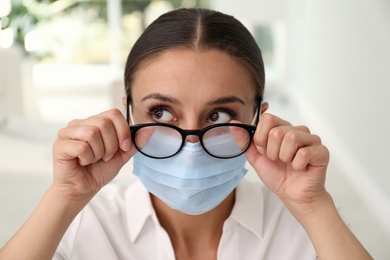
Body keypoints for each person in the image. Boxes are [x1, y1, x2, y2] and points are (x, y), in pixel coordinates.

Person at [0, 8, 372, 260]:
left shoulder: (302, 227)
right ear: (128, 111)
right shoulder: (84, 223)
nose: (191, 144)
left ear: (258, 118)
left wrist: (313, 206)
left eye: (220, 114)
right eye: (160, 112)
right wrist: (63, 196)